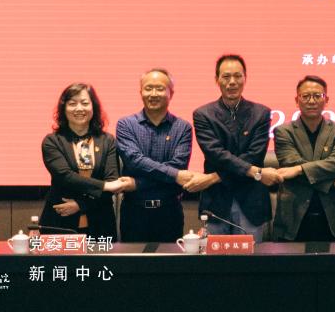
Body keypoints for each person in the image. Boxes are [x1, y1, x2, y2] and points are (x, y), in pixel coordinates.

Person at [190, 54, 280, 241]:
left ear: (245, 78)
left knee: (251, 258)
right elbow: (216, 154)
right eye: (226, 76)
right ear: (217, 80)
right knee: (215, 257)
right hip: (217, 202)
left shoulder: (261, 113)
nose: (232, 82)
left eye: (238, 76)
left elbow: (255, 155)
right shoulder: (203, 114)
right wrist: (253, 171)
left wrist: (214, 177)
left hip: (251, 200)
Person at [116, 68, 203, 242]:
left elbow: (178, 165)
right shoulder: (126, 125)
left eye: (160, 88)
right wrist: (174, 175)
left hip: (169, 212)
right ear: (141, 92)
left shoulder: (182, 128)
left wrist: (137, 183)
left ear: (171, 93)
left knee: (169, 260)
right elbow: (134, 161)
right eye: (148, 88)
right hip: (134, 212)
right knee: (132, 260)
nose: (153, 94)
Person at [40, 83, 134, 240]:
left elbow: (112, 181)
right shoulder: (52, 141)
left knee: (101, 258)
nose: (79, 108)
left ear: (93, 107)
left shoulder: (107, 141)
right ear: (64, 109)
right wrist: (104, 186)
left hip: (100, 221)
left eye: (84, 103)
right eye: (72, 103)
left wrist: (81, 205)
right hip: (60, 220)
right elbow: (65, 177)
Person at [271, 76, 335, 242]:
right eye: (306, 96)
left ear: (326, 100)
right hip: (293, 216)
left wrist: (300, 169)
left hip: (331, 217)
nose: (311, 101)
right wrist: (334, 182)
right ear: (297, 100)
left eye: (317, 96)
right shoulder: (283, 131)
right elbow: (290, 164)